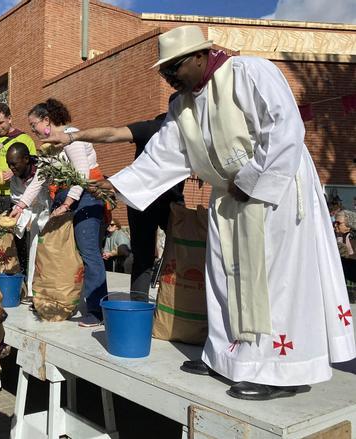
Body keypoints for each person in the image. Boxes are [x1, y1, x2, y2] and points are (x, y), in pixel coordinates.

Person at [91, 25, 356, 399]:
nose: (169, 78)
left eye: (174, 68)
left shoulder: (249, 72)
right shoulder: (183, 105)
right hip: (229, 195)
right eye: (164, 72)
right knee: (223, 272)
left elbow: (284, 127)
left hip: (273, 189)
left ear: (200, 56)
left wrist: (249, 179)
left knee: (270, 276)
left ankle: (279, 369)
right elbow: (166, 154)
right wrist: (113, 186)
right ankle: (227, 357)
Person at [41, 100, 184, 292]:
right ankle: (168, 306)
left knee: (143, 258)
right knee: (180, 254)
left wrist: (73, 137)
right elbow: (112, 134)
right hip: (153, 200)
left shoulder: (154, 127)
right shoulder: (163, 128)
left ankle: (140, 306)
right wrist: (72, 137)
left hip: (142, 198)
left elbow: (113, 133)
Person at [15, 98, 107, 326]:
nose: (33, 130)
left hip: (86, 195)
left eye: (33, 124)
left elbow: (82, 173)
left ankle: (97, 310)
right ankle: (64, 299)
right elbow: (40, 178)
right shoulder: (49, 146)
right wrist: (20, 206)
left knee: (88, 252)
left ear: (47, 120)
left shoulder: (72, 136)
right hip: (64, 198)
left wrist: (68, 204)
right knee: (63, 255)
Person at [6, 142, 51, 297]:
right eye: (9, 165)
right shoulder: (15, 180)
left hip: (52, 216)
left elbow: (46, 196)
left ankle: (52, 291)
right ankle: (34, 293)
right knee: (34, 256)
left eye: (14, 164)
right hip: (33, 220)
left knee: (53, 257)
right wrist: (24, 220)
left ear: (26, 159)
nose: (11, 168)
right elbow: (19, 202)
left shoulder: (44, 168)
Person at [0, 102, 36, 218]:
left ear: (9, 119)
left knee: (13, 232)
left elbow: (33, 164)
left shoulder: (24, 139)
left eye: (0, 123)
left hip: (15, 194)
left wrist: (14, 173)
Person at [334, 210, 355, 303]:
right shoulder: (340, 236)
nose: (335, 225)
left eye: (338, 223)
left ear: (348, 225)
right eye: (335, 222)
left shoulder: (352, 237)